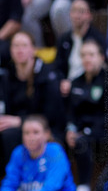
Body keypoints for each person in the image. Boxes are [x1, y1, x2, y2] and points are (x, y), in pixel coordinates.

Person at [65, 38, 108, 191]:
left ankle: (85, 188)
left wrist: (85, 131)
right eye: (84, 55)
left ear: (101, 57)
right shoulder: (76, 82)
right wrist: (70, 129)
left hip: (107, 132)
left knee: (84, 142)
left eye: (91, 55)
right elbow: (71, 112)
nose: (87, 59)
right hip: (82, 133)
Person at [0, 32, 64, 171]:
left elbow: (51, 115)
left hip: (46, 128)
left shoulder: (47, 74)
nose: (19, 50)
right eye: (15, 46)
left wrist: (20, 121)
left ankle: (17, 181)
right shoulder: (7, 75)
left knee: (9, 135)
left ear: (33, 49)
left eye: (24, 45)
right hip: (13, 124)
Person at [53, 0, 103, 93]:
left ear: (89, 15)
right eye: (74, 11)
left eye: (81, 11)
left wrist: (74, 84)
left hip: (88, 87)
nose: (77, 15)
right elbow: (58, 66)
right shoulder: (64, 39)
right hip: (65, 86)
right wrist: (62, 81)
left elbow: (100, 68)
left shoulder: (97, 39)